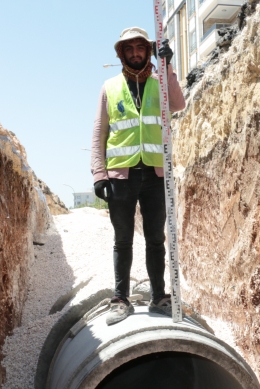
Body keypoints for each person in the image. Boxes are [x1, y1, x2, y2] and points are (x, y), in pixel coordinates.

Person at [91, 27, 186, 325]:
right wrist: (98, 173)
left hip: (156, 174)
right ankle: (121, 299)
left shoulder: (160, 83)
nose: (135, 53)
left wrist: (168, 66)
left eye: (140, 48)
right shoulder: (110, 87)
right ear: (122, 53)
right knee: (123, 240)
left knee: (156, 238)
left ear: (147, 51)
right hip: (121, 176)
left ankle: (159, 296)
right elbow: (99, 132)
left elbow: (178, 104)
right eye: (129, 48)